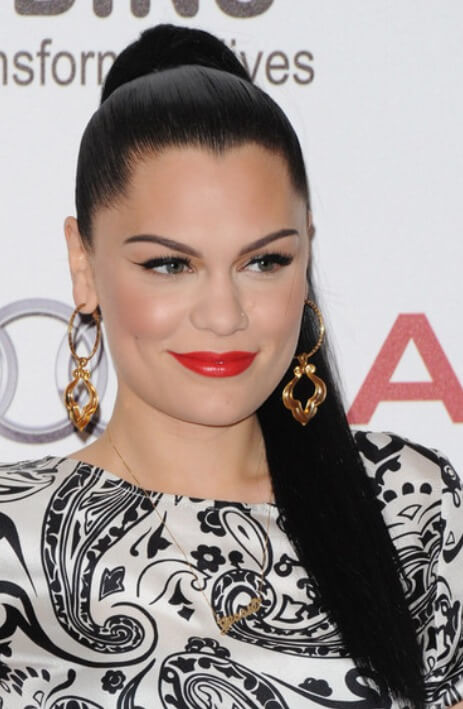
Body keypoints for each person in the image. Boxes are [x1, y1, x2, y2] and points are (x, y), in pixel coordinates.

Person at [0, 23, 461, 709]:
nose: (223, 314)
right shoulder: (10, 542)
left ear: (306, 253)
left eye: (264, 261)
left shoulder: (410, 506)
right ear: (83, 263)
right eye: (169, 264)